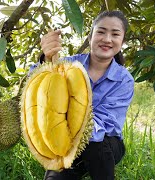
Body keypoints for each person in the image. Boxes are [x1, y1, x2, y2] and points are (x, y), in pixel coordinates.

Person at [29, 10, 134, 180]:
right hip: (66, 140)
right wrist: (46, 59)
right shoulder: (70, 64)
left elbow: (106, 123)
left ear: (122, 41)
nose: (107, 39)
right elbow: (35, 85)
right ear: (90, 36)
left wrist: (64, 126)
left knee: (96, 145)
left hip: (106, 144)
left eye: (115, 34)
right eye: (101, 32)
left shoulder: (124, 80)